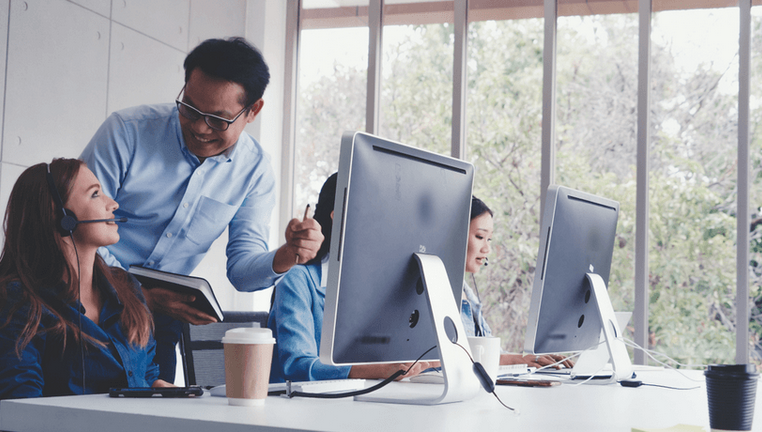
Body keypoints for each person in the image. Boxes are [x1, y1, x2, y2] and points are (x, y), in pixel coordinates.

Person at [80, 37, 323, 382]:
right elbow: (76, 227)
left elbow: (241, 271)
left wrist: (287, 254)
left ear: (253, 111)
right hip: (85, 299)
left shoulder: (255, 172)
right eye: (190, 109)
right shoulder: (127, 133)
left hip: (158, 319)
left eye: (217, 120)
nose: (198, 127)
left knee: (154, 409)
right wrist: (137, 294)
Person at [0, 159, 172, 399]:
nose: (113, 204)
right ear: (62, 216)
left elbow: (147, 371)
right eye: (95, 194)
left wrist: (160, 388)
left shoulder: (126, 286)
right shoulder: (19, 300)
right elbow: (21, 403)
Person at [268, 173, 433, 383]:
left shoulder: (380, 284)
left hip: (366, 399)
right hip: (302, 401)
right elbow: (297, 366)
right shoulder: (298, 280)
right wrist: (376, 370)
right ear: (338, 216)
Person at [462, 196, 573, 369]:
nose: (487, 249)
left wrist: (529, 360)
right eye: (480, 236)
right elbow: (447, 362)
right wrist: (518, 360)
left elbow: (492, 355)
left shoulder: (468, 296)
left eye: (489, 239)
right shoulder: (434, 295)